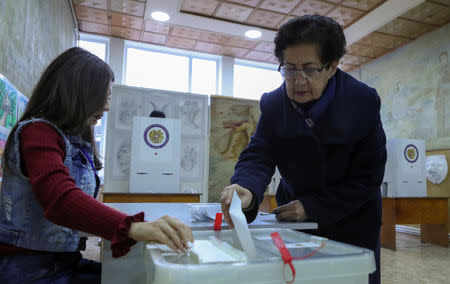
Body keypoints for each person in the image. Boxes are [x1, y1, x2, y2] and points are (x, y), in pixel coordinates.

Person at [0, 47, 193, 283]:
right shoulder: (38, 132)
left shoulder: (75, 141)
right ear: (78, 92)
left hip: (63, 261)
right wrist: (133, 227)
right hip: (25, 267)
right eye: (104, 96)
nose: (107, 106)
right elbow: (60, 198)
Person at [220, 15, 386, 284]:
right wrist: (246, 188)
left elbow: (368, 176)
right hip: (295, 217)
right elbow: (259, 153)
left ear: (332, 66)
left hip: (352, 217)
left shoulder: (362, 101)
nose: (298, 81)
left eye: (309, 69)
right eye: (289, 69)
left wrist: (314, 207)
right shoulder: (274, 104)